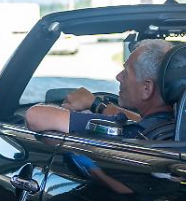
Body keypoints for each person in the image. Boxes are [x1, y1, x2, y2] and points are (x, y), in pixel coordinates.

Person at [25, 39, 175, 138]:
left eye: (126, 73)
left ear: (146, 89)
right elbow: (141, 121)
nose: (119, 77)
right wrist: (96, 105)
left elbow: (35, 116)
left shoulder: (135, 133)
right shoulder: (179, 126)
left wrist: (86, 113)